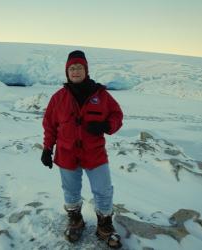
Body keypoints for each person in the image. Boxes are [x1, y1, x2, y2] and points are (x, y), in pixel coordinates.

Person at [41, 50, 123, 248]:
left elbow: (117, 116)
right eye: (71, 68)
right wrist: (47, 148)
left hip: (94, 154)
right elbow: (49, 124)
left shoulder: (101, 95)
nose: (75, 71)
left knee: (103, 190)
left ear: (86, 70)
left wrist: (105, 126)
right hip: (67, 153)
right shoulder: (58, 98)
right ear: (67, 72)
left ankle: (104, 226)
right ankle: (76, 220)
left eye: (79, 67)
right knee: (70, 190)